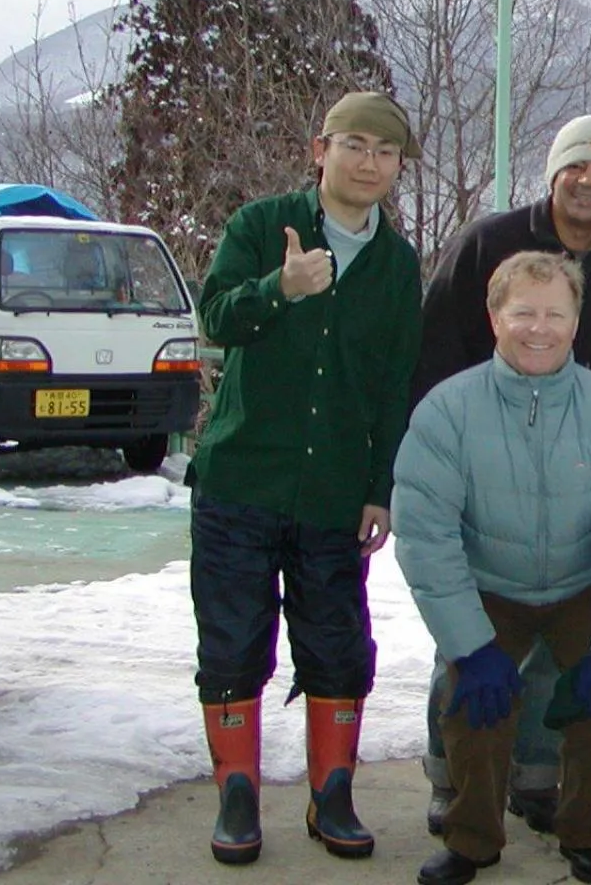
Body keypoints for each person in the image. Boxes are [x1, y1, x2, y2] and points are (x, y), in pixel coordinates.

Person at [187, 92, 423, 866]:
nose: (368, 163)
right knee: (231, 643)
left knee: (338, 646)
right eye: (353, 144)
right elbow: (215, 316)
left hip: (332, 495)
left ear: (395, 169)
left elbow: (395, 385)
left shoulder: (397, 263)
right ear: (320, 150)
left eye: (384, 152)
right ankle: (238, 795)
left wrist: (379, 486)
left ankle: (333, 796)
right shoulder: (262, 226)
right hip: (239, 482)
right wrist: (278, 291)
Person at [394, 251, 591, 885]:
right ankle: (472, 836)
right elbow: (426, 537)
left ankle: (587, 829)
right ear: (495, 318)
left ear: (577, 321)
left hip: (582, 584)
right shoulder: (446, 412)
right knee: (476, 703)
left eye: (555, 313)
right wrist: (471, 645)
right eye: (523, 313)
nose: (538, 328)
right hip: (489, 582)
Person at [412, 114, 591, 837]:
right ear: (552, 175)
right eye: (576, 166)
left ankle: (536, 777)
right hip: (483, 455)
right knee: (466, 642)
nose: (588, 180)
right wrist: (456, 439)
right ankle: (452, 779)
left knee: (556, 644)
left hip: (575, 461)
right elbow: (437, 342)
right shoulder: (491, 241)